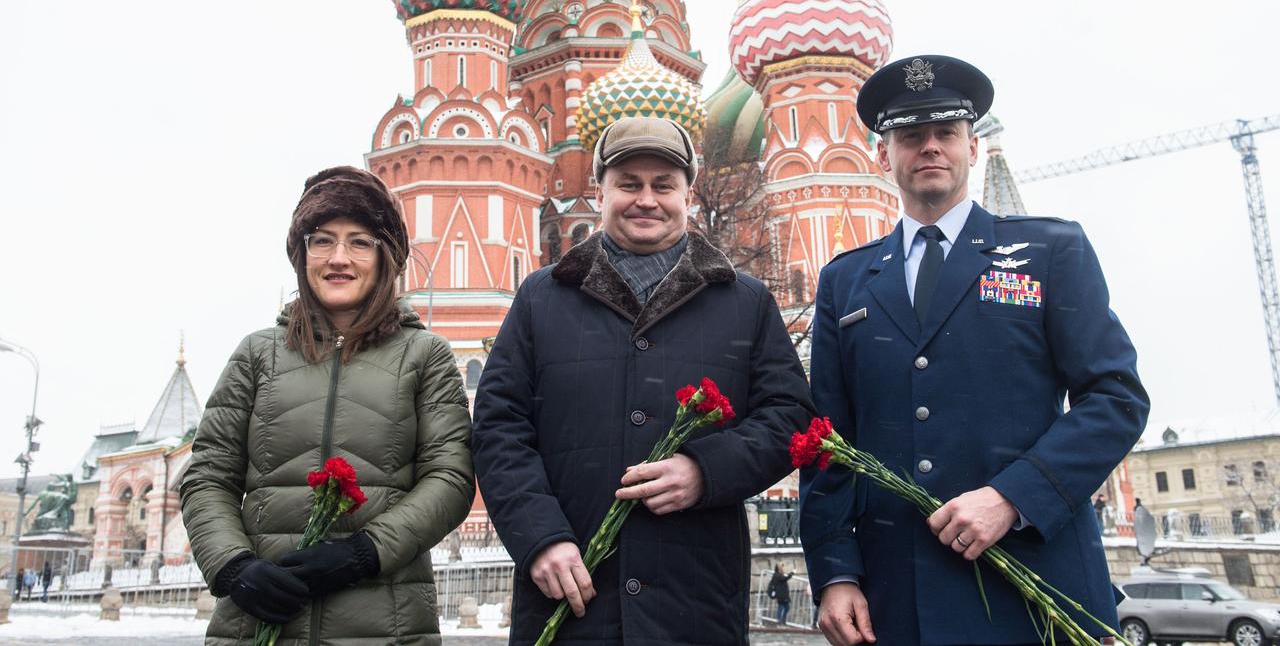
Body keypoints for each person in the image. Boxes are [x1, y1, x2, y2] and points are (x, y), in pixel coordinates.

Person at [800, 56, 1149, 646]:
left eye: (946, 133)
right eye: (910, 136)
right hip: (896, 594)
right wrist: (834, 572)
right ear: (884, 156)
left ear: (972, 147)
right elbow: (828, 439)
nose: (929, 147)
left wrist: (1012, 497)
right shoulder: (847, 281)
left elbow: (1115, 398)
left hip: (1036, 580)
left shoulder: (1047, 251)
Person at [472, 116, 815, 645]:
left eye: (664, 185)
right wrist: (540, 538)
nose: (646, 200)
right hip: (572, 595)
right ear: (601, 189)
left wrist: (705, 470)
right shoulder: (543, 298)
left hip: (693, 603)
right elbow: (499, 427)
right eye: (628, 184)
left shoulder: (743, 302)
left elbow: (790, 419)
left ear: (688, 194)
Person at [180, 166, 474, 646]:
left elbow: (451, 478)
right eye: (322, 240)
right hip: (256, 621)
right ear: (302, 255)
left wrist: (365, 553)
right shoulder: (259, 354)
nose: (339, 258)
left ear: (386, 257)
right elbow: (208, 474)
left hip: (387, 623)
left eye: (360, 242)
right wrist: (234, 567)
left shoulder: (423, 355)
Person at [768, 563, 794, 627]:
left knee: (785, 608)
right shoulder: (777, 575)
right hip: (781, 595)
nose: (782, 568)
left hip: (782, 595)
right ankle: (780, 622)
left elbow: (784, 577)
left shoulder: (778, 575)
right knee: (783, 608)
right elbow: (784, 578)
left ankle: (781, 622)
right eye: (781, 567)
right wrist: (792, 573)